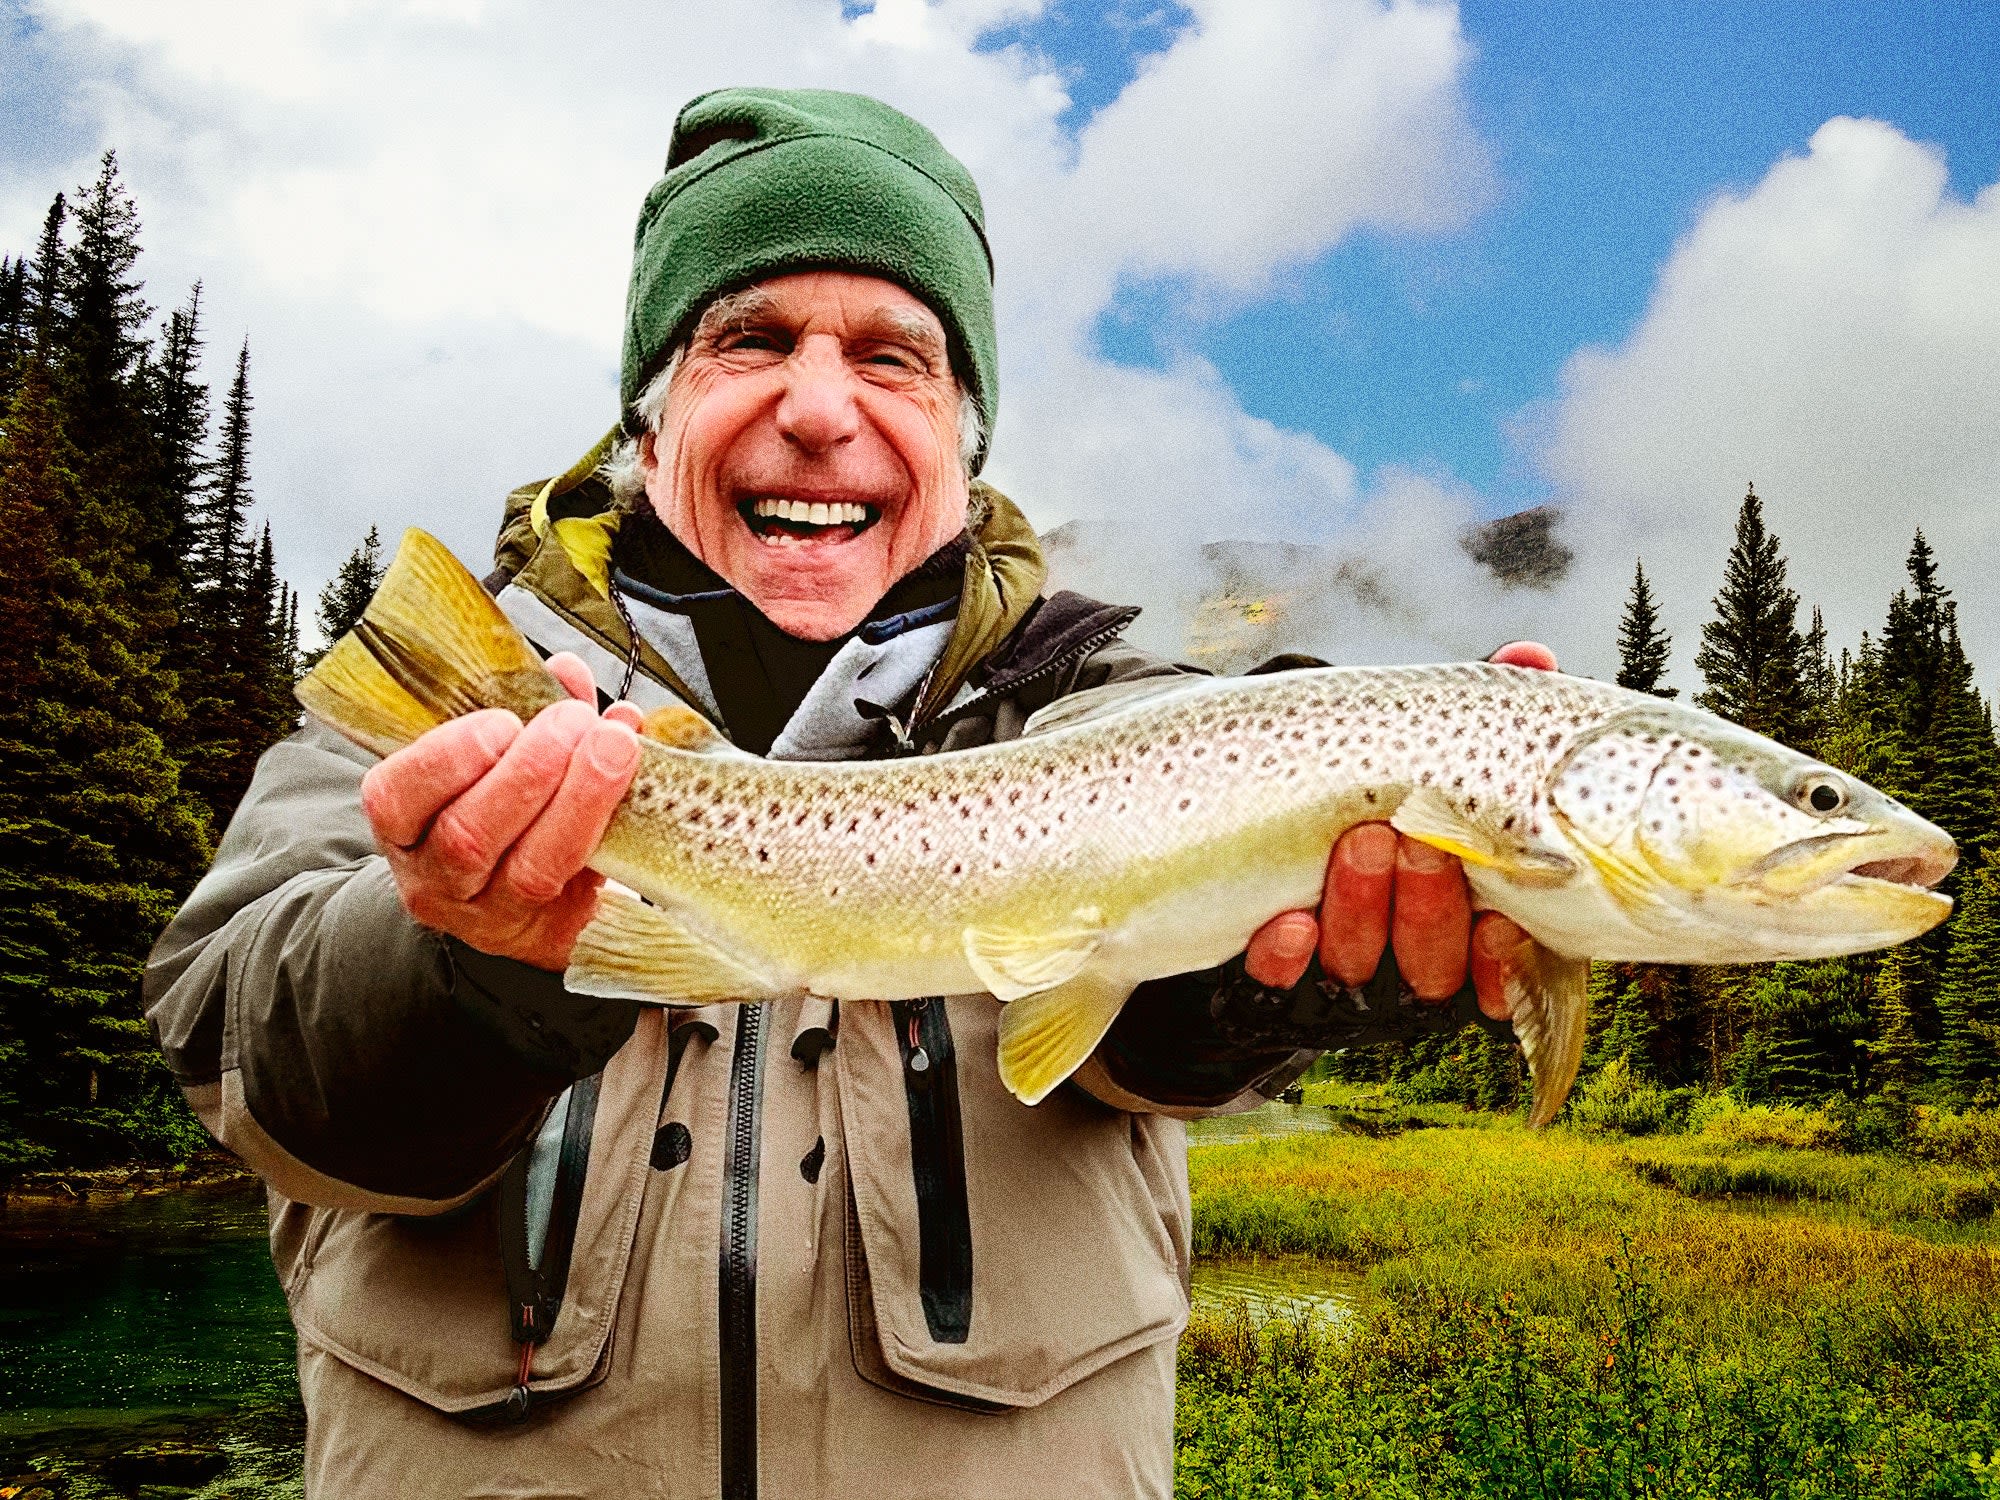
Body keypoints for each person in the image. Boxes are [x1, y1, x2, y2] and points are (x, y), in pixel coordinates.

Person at [145, 87, 1555, 1499]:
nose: (820, 411)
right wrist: (465, 962)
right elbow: (237, 1057)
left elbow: (1154, 1042)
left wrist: (1286, 980)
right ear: (649, 420)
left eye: (895, 357)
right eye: (748, 339)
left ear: (963, 434)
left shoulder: (1111, 710)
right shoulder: (468, 705)